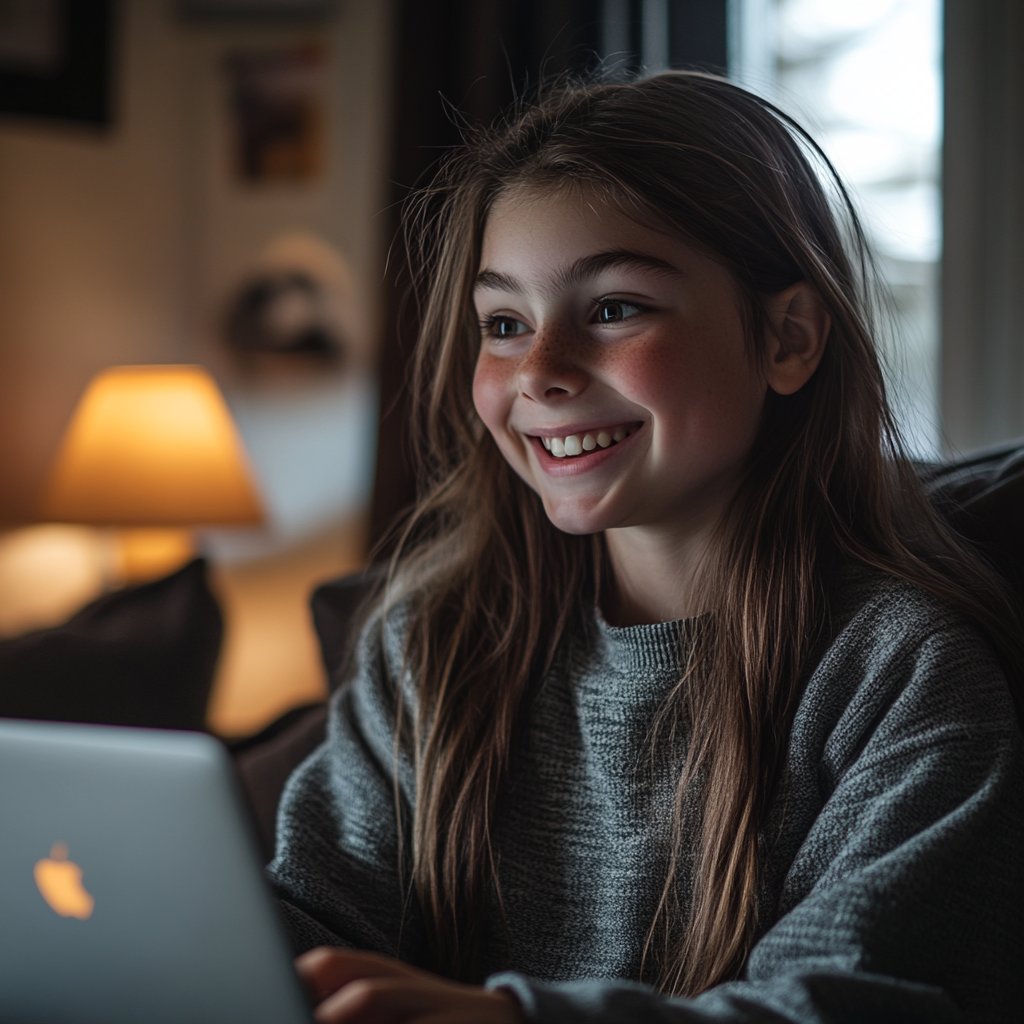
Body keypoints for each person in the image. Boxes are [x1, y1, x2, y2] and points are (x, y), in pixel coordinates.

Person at [268, 71, 1024, 1023]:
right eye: (503, 324)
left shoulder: (901, 672)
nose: (538, 371)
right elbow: (306, 918)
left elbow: (859, 1001)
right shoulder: (433, 639)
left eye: (615, 308)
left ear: (789, 338)